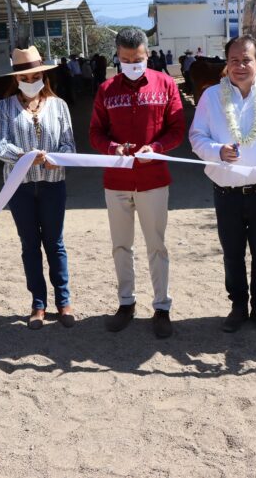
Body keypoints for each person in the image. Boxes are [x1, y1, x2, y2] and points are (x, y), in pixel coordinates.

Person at [189, 35, 256, 333]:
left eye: (247, 60)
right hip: (226, 194)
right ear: (227, 63)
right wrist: (216, 151)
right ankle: (238, 305)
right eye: (234, 60)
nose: (240, 66)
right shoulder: (211, 96)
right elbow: (197, 136)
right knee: (232, 252)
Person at [89, 27, 185, 339]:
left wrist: (156, 149)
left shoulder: (166, 84)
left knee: (156, 245)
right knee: (121, 245)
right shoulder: (106, 90)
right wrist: (111, 148)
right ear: (117, 56)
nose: (133, 63)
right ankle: (126, 303)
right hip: (116, 180)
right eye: (126, 59)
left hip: (153, 179)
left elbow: (176, 129)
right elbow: (95, 132)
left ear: (148, 53)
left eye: (139, 58)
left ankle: (162, 307)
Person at [0, 46, 76, 330]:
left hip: (53, 184)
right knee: (30, 244)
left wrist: (57, 157)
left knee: (55, 243)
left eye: (36, 74)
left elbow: (69, 145)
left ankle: (63, 301)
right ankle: (38, 303)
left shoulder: (60, 106)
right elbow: (0, 145)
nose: (31, 81)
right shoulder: (4, 108)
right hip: (21, 187)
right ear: (16, 78)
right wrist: (25, 157)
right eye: (25, 77)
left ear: (44, 74)